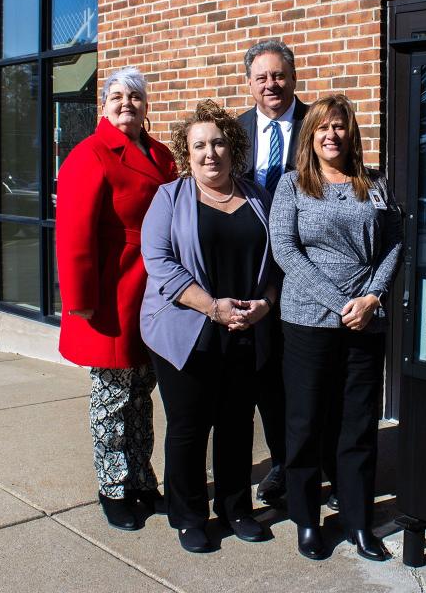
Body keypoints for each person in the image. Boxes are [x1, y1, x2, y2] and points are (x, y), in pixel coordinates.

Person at [140, 99, 280, 553]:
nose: (210, 153)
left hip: (245, 328)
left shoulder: (257, 197)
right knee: (188, 426)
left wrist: (265, 305)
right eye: (199, 145)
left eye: (218, 142)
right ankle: (188, 515)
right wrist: (212, 308)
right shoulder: (169, 197)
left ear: (232, 146)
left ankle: (237, 508)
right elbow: (158, 264)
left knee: (237, 423)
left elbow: (279, 262)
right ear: (187, 151)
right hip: (187, 332)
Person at [269, 94, 402, 561]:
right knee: (304, 423)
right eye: (323, 127)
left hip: (365, 321)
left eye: (340, 126)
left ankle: (358, 521)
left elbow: (392, 245)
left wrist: (372, 298)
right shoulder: (292, 186)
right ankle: (307, 520)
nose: (331, 134)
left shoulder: (375, 184)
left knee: (358, 427)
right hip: (308, 321)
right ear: (310, 135)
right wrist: (340, 301)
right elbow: (285, 250)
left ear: (351, 133)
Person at [56, 66, 177, 531]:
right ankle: (112, 486)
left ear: (147, 107)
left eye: (136, 97)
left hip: (153, 287)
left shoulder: (162, 154)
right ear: (102, 106)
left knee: (142, 391)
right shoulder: (90, 154)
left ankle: (143, 480)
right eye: (117, 97)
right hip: (112, 290)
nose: (127, 104)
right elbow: (73, 234)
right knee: (112, 396)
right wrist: (80, 299)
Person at [237, 40, 312, 507]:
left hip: (308, 272)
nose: (272, 84)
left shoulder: (317, 126)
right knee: (266, 378)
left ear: (294, 78)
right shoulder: (235, 131)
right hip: (254, 273)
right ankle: (285, 463)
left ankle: (316, 461)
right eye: (262, 77)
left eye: (279, 75)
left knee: (307, 375)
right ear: (249, 84)